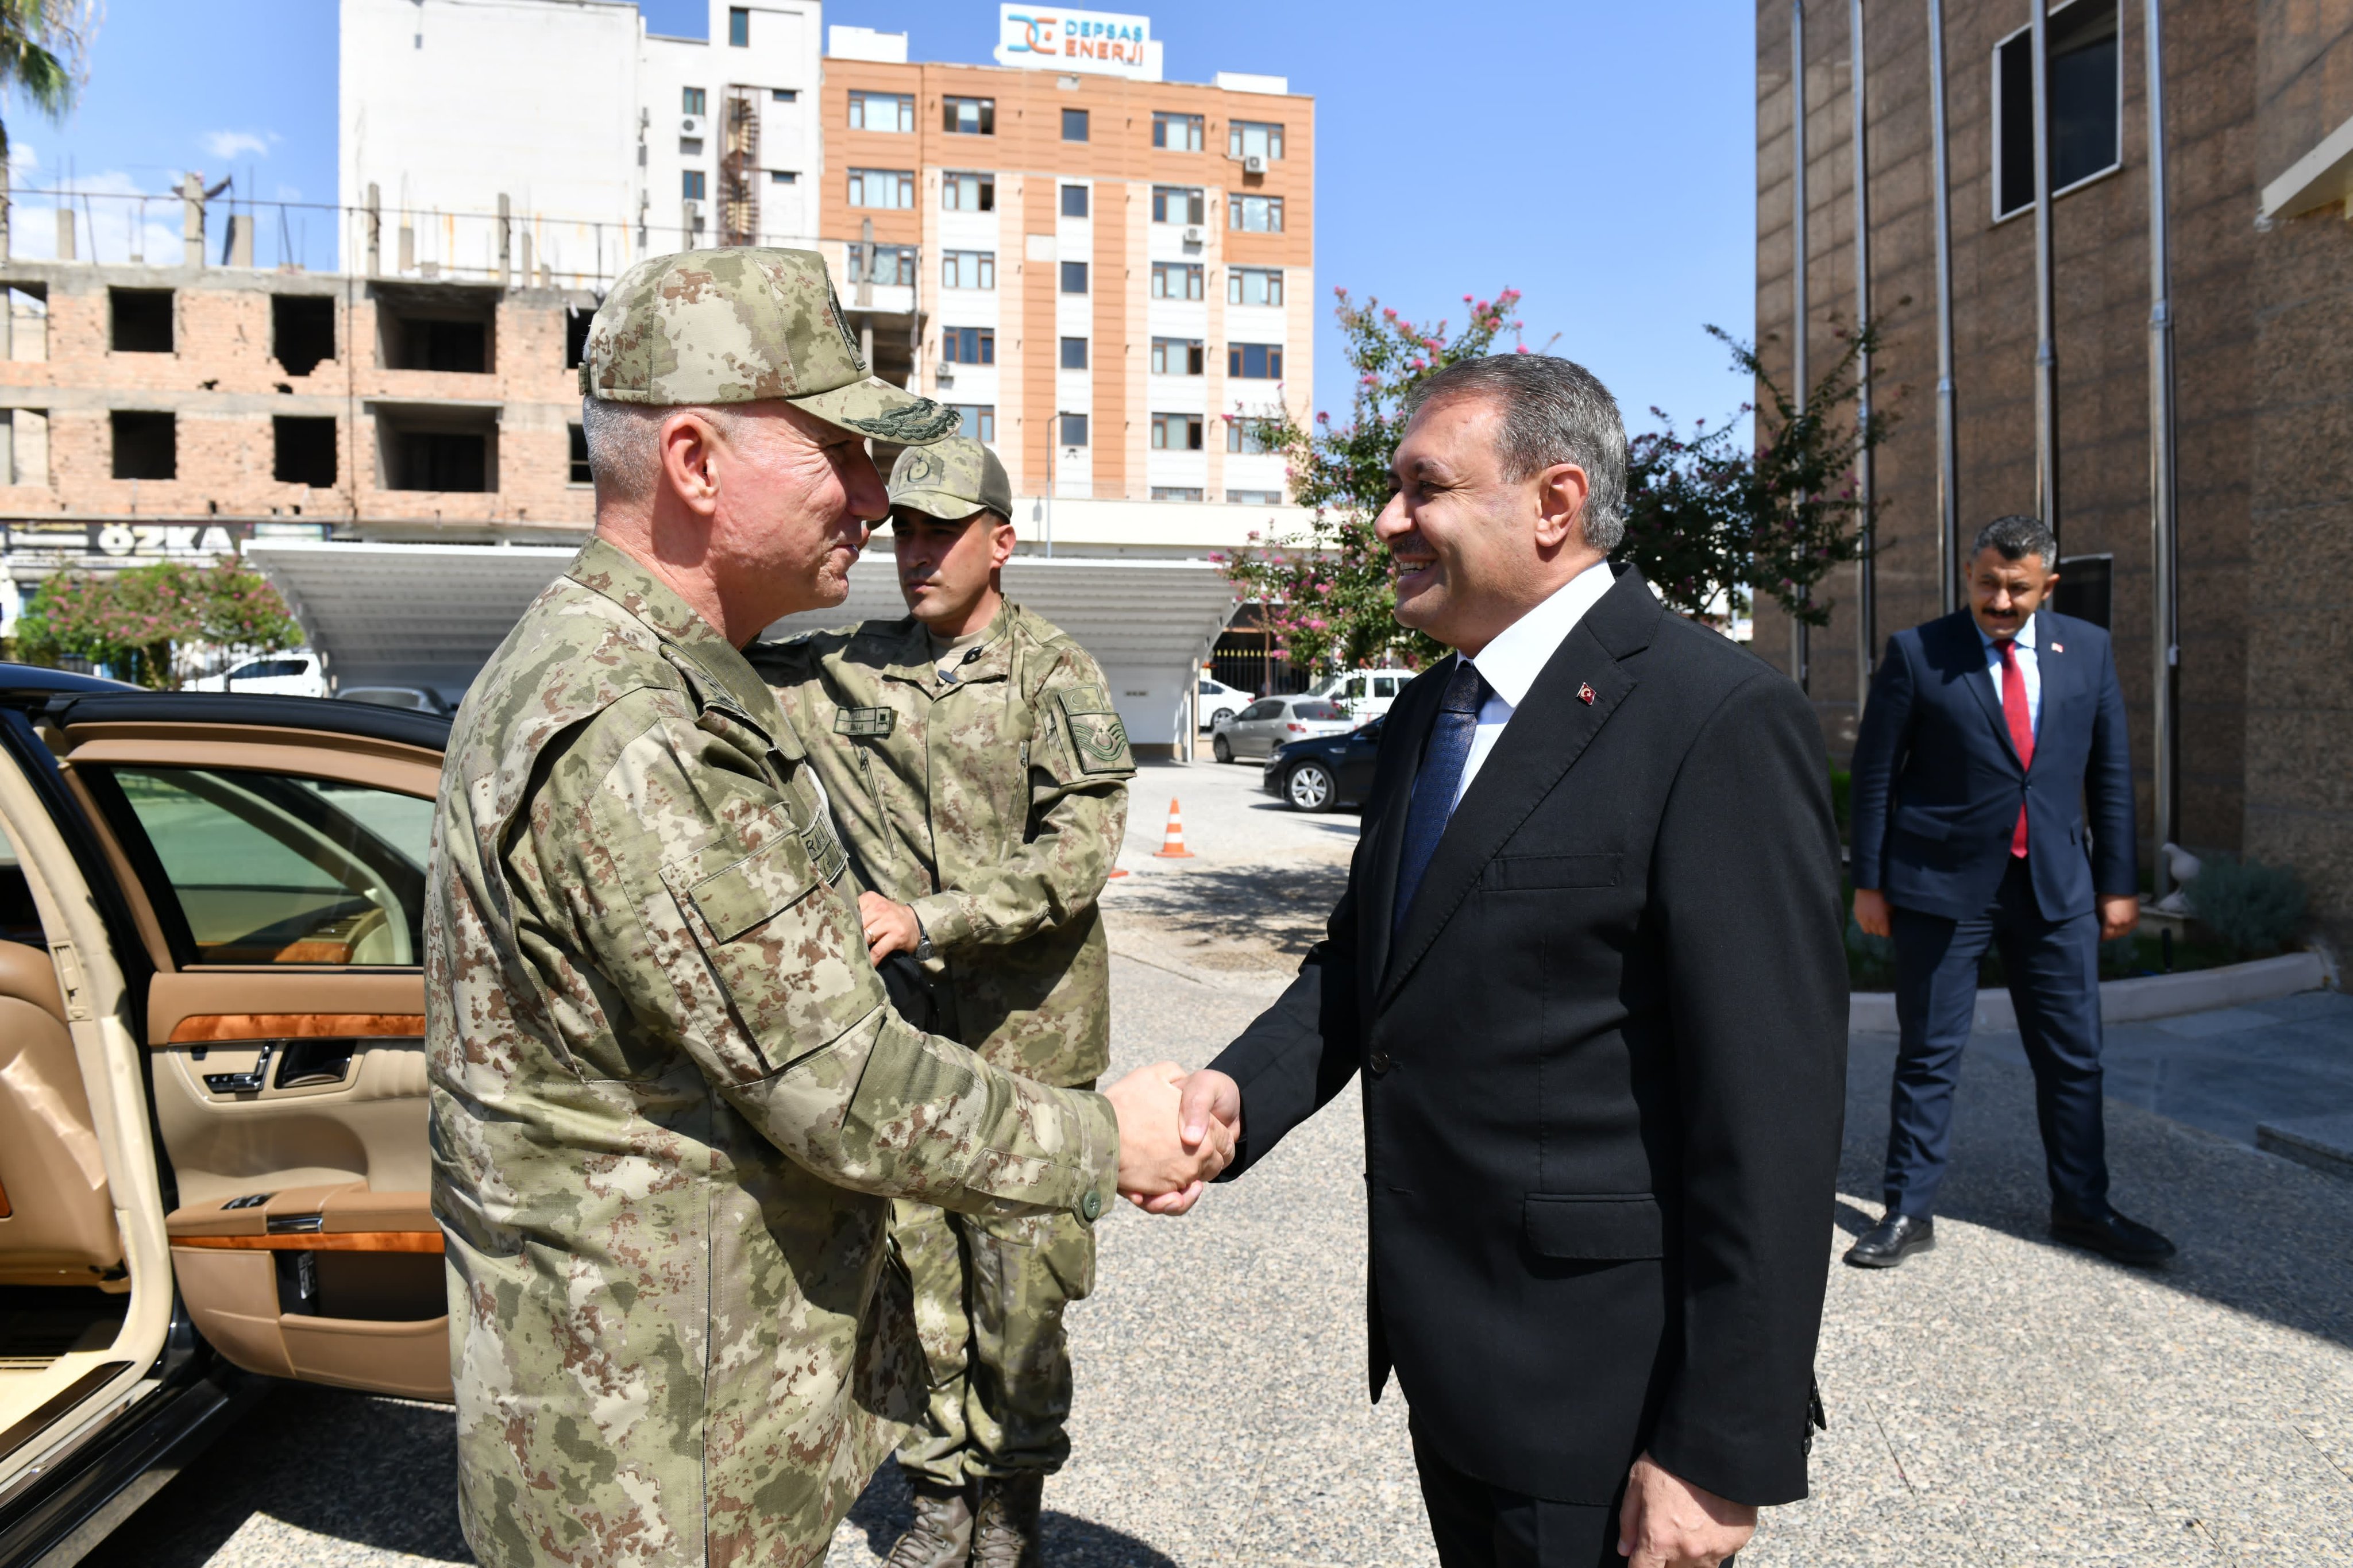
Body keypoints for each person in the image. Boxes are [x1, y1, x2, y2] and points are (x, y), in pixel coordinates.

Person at [426, 248, 1228, 1568]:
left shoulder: (642, 677)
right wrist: (1105, 1143)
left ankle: (1001, 1500)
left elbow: (1074, 850)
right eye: (837, 457)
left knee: (1009, 1315)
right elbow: (837, 1087)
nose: (871, 500)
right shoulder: (636, 725)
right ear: (692, 462)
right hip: (659, 1461)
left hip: (672, 1419)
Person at [1167, 354, 1849, 1568]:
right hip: (1453, 1357)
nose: (1385, 520)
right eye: (1390, 487)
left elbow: (1773, 1119)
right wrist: (1234, 1098)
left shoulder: (1713, 720)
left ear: (1553, 503)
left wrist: (1719, 1449)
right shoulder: (1436, 711)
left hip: (1606, 1393)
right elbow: (1367, 965)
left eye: (1421, 486)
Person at [751, 437, 1135, 1568]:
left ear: (1000, 543)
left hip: (1029, 1041)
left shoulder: (1054, 676)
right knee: (913, 1273)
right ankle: (934, 1490)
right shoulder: (849, 668)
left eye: (940, 531)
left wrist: (931, 918)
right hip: (906, 1046)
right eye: (902, 530)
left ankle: (1010, 1492)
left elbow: (1077, 858)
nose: (913, 552)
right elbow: (710, 663)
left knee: (1020, 1286)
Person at [1845, 514, 2173, 1270]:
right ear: (1969, 573)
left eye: (2017, 588)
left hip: (2054, 888)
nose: (1999, 599)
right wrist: (1870, 880)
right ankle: (1908, 1208)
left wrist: (2119, 883)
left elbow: (2111, 775)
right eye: (1988, 582)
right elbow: (1874, 776)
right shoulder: (1919, 653)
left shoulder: (2086, 651)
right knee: (1930, 1053)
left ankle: (2083, 1207)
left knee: (2074, 1057)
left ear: (2047, 587)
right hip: (1941, 885)